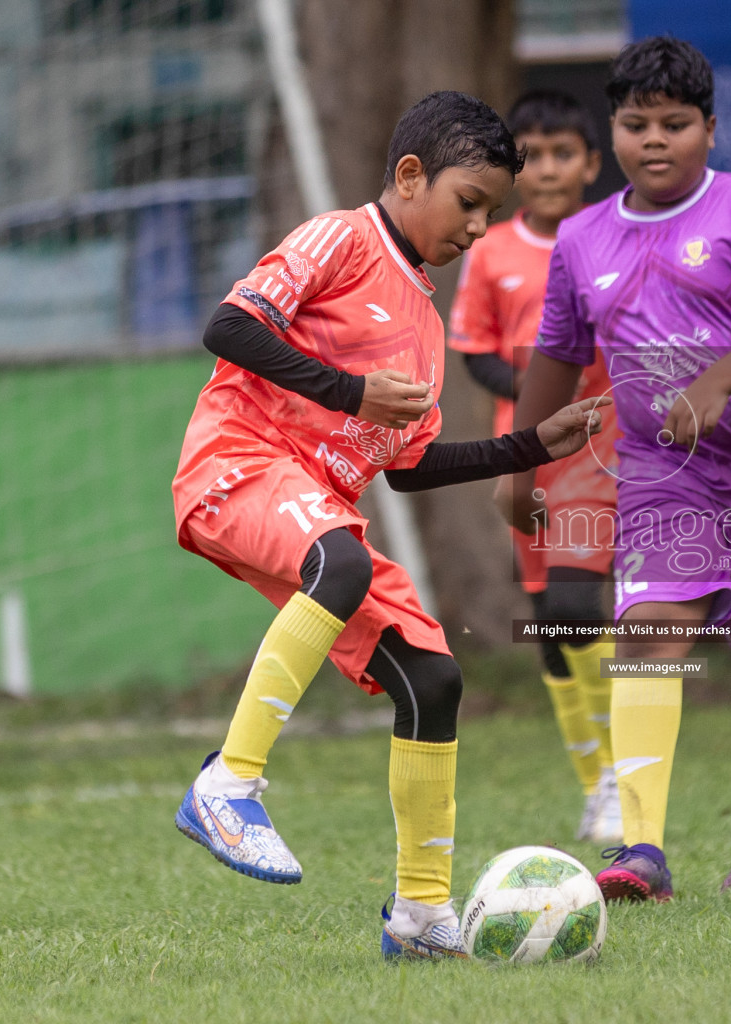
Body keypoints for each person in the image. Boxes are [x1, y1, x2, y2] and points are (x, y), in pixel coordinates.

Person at [168, 90, 607, 960]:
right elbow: (226, 326)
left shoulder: (425, 328)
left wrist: (528, 442)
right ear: (410, 177)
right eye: (469, 202)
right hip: (239, 462)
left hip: (320, 507)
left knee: (434, 678)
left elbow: (407, 469)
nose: (480, 227)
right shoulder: (341, 237)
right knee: (343, 564)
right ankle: (228, 785)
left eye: (492, 212)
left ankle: (421, 918)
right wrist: (346, 390)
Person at [505, 36, 731, 902]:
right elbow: (554, 358)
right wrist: (520, 468)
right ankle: (640, 850)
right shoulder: (581, 239)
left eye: (676, 124)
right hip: (661, 473)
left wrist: (720, 380)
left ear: (711, 130)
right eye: (636, 124)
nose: (656, 141)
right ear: (613, 131)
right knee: (651, 629)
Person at [447, 90, 624, 844]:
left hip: (604, 450)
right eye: (534, 155)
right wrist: (536, 397)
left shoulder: (616, 236)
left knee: (582, 605)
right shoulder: (489, 250)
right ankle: (597, 787)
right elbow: (474, 349)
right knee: (553, 622)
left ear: (590, 162)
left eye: (563, 153)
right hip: (526, 457)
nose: (548, 169)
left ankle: (623, 772)